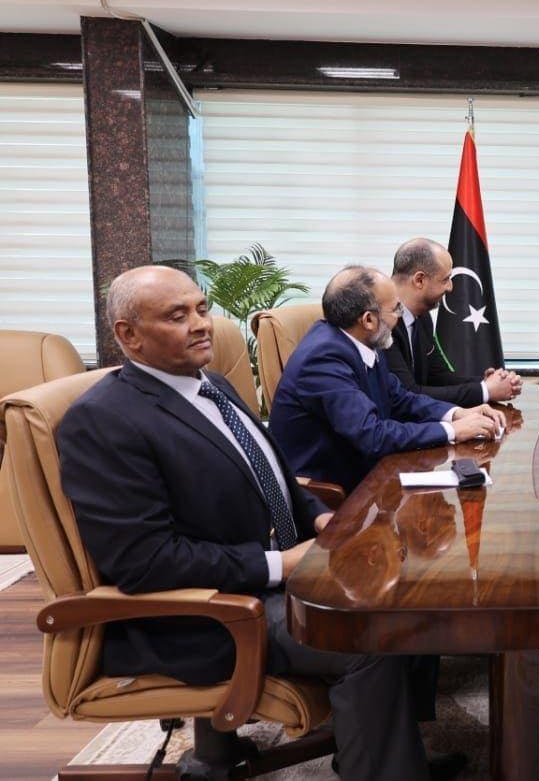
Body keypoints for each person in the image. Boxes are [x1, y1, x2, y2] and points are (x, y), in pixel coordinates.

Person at [57, 266, 462, 781]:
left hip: (258, 574)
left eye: (201, 309)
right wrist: (279, 564)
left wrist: (318, 516)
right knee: (368, 636)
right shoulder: (103, 420)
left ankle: (387, 750)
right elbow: (144, 562)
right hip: (202, 616)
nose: (201, 324)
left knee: (407, 591)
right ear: (128, 334)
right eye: (178, 316)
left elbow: (273, 474)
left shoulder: (211, 384)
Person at [270, 265, 505, 494]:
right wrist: (452, 431)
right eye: (395, 310)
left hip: (368, 474)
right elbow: (372, 436)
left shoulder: (364, 340)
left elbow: (399, 398)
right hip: (328, 493)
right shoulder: (323, 360)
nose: (400, 316)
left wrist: (457, 414)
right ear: (368, 320)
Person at [386, 237, 522, 406]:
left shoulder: (422, 317)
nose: (450, 287)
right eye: (445, 280)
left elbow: (437, 376)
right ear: (419, 280)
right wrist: (485, 391)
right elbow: (408, 394)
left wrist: (486, 382)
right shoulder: (381, 323)